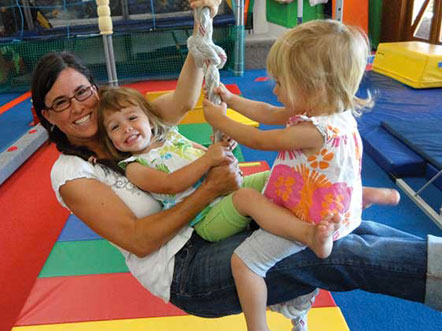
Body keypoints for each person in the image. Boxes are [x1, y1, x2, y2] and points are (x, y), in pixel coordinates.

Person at [31, 1, 441, 329]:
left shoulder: (126, 123)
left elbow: (184, 102)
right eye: (60, 103)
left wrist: (200, 32)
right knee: (327, 253)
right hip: (186, 269)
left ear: (95, 89)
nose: (79, 107)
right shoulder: (72, 171)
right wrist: (210, 188)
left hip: (220, 220)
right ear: (47, 116)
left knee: (345, 224)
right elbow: (139, 240)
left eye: (82, 92)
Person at [202, 19, 400, 331]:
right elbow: (267, 112)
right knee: (323, 176)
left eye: (280, 82)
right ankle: (361, 194)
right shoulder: (332, 112)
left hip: (310, 217)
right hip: (335, 200)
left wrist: (219, 120)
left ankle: (257, 327)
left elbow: (259, 140)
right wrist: (232, 100)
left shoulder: (312, 131)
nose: (274, 88)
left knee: (245, 263)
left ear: (313, 87)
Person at [96, 85, 269, 242]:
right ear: (111, 141)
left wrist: (224, 145)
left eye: (132, 118)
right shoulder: (135, 167)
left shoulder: (172, 137)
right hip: (207, 218)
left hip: (227, 195)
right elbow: (170, 184)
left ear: (149, 120)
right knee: (248, 198)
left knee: (272, 177)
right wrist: (208, 158)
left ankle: (281, 225)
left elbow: (206, 154)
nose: (126, 128)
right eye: (114, 127)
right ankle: (285, 234)